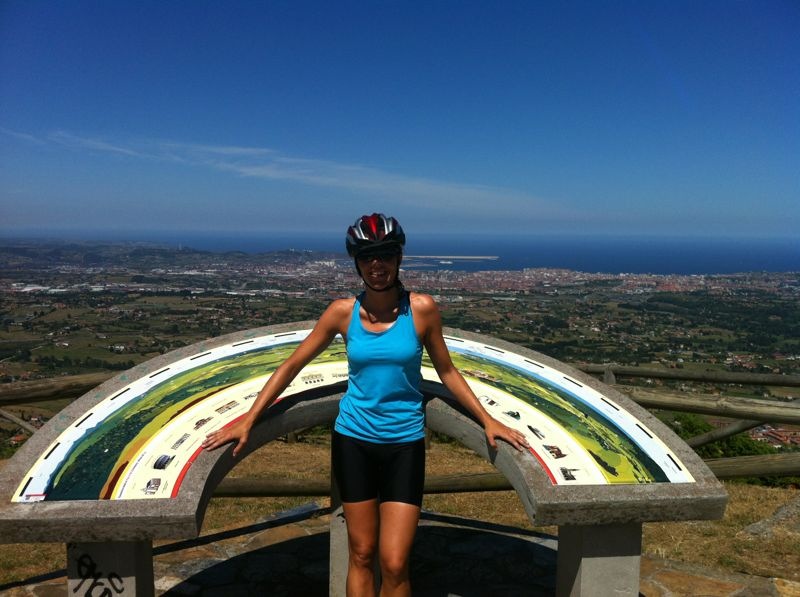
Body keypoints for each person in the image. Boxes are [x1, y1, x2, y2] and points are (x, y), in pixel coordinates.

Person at [202, 213, 529, 596]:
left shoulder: (421, 309)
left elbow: (447, 371)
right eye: (367, 256)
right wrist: (248, 419)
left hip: (404, 443)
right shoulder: (342, 313)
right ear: (356, 262)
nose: (377, 264)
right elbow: (291, 365)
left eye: (385, 254)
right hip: (353, 441)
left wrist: (488, 420)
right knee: (361, 553)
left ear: (399, 257)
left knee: (395, 563)